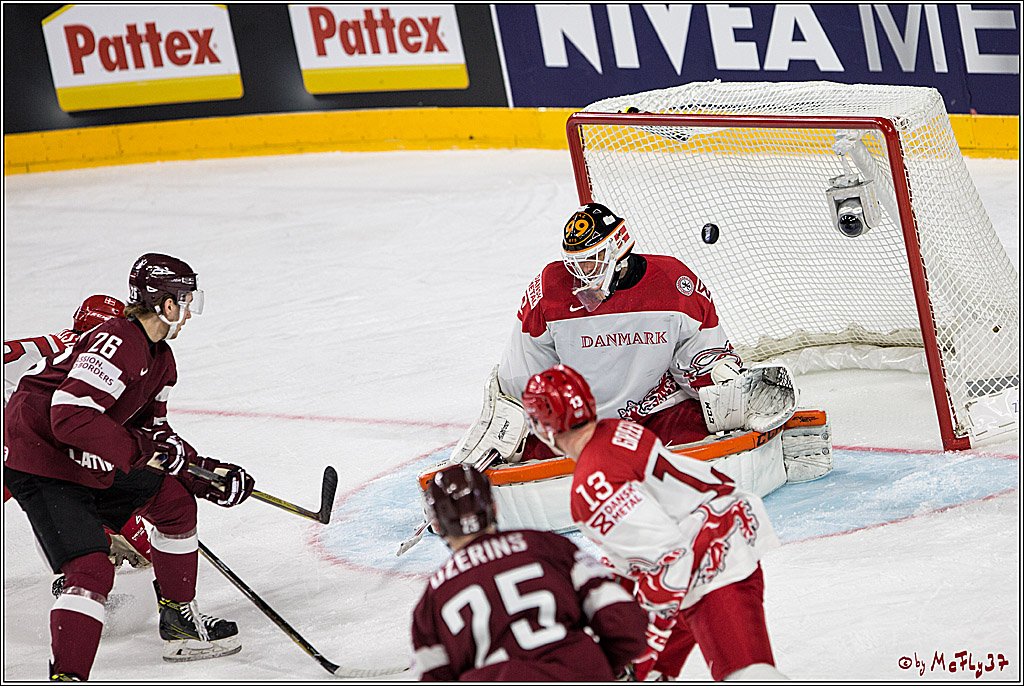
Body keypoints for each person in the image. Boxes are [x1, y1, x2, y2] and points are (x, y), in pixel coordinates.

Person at [4, 254, 255, 680]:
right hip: (41, 458)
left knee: (174, 502)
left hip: (91, 455)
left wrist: (204, 472)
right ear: (165, 303)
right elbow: (69, 414)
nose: (190, 310)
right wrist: (142, 450)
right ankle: (68, 676)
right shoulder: (117, 341)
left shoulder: (160, 358)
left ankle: (179, 621)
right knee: (91, 569)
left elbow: (156, 433)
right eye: (185, 299)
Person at [521, 364, 786, 681]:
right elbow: (641, 547)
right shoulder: (615, 430)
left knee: (748, 675)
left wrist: (639, 655)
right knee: (646, 671)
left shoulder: (591, 486)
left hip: (712, 561)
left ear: (542, 427)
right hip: (713, 538)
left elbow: (668, 561)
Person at [498, 201, 746, 464]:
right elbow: (525, 373)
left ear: (618, 248)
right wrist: (512, 420)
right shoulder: (549, 291)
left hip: (656, 413)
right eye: (575, 263)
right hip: (580, 427)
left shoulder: (674, 283)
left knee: (706, 437)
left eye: (590, 261)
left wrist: (729, 386)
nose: (581, 274)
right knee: (532, 453)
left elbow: (700, 361)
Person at [409, 464, 649, 681]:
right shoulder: (547, 547)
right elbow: (625, 624)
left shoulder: (432, 601)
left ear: (438, 525)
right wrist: (605, 668)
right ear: (493, 507)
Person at [4, 294, 153, 574]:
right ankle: (70, 569)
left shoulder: (63, 346)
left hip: (20, 422)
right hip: (16, 427)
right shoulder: (86, 358)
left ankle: (90, 546)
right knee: (45, 479)